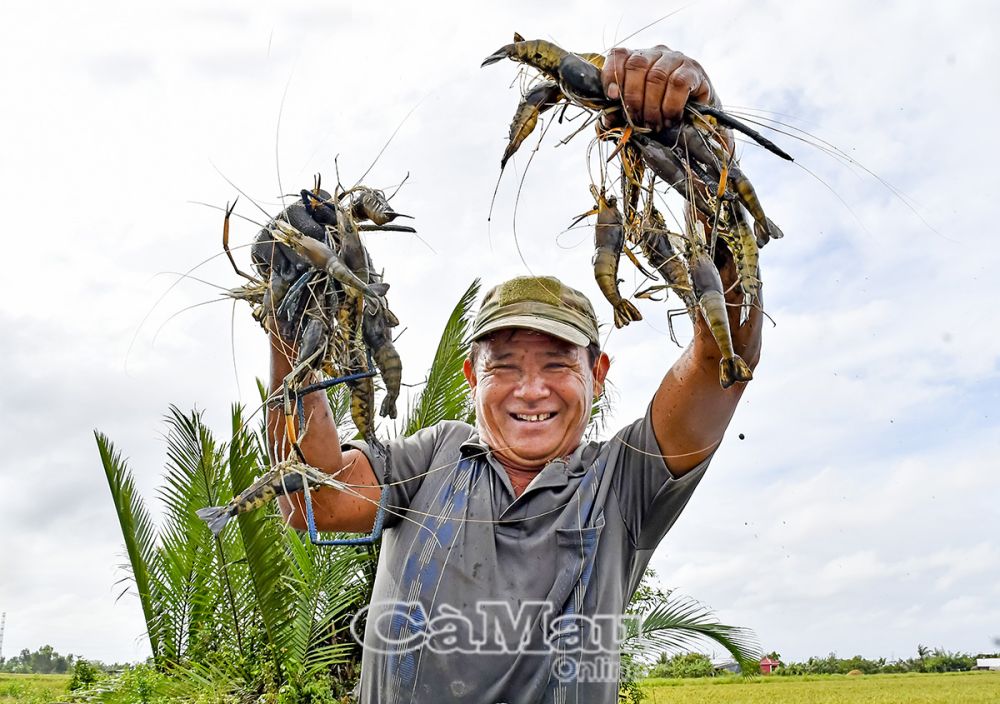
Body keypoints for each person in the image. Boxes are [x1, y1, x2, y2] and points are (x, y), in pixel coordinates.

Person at [271, 45, 762, 704]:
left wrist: (710, 151)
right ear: (472, 376)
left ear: (598, 372)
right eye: (505, 365)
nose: (532, 389)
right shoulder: (432, 457)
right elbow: (315, 500)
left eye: (557, 362)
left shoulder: (624, 481)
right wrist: (288, 309)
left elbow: (721, 361)